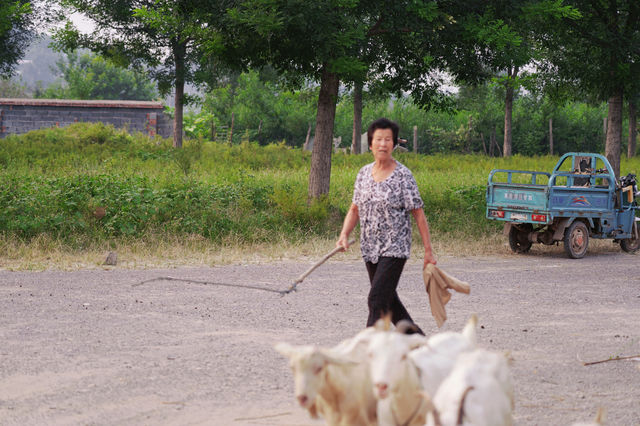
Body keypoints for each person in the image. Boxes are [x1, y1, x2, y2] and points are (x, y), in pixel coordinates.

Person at [336, 118, 436, 334]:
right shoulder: (363, 174)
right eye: (378, 139)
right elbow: (355, 209)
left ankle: (367, 352)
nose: (383, 144)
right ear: (370, 144)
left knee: (376, 300)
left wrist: (428, 251)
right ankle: (420, 344)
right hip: (370, 247)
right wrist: (344, 234)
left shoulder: (403, 175)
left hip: (395, 248)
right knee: (390, 303)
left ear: (394, 144)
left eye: (388, 140)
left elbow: (418, 213)